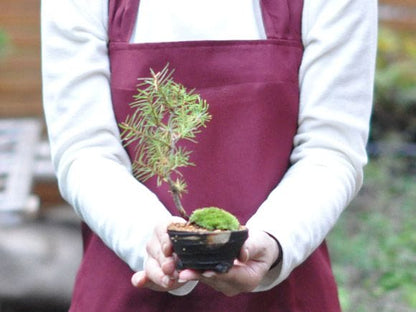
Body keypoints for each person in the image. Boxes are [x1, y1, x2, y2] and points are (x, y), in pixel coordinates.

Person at [41, 0, 377, 311]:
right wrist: (155, 241)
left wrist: (273, 238)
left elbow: (331, 148)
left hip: (284, 292)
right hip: (127, 290)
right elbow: (84, 149)